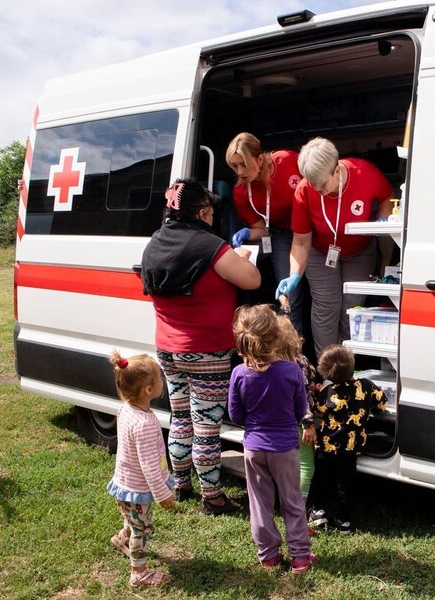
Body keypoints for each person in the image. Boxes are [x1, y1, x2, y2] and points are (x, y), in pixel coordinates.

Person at [140, 178, 261, 516]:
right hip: (207, 351)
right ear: (203, 212)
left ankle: (181, 484)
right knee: (207, 426)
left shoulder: (155, 243)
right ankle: (213, 497)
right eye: (209, 212)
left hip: (168, 348)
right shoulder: (211, 246)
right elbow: (252, 280)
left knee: (180, 417)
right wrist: (243, 256)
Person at [276, 137, 394, 356]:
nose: (317, 188)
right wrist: (294, 274)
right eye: (312, 182)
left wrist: (383, 218)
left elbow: (387, 196)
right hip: (321, 252)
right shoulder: (304, 190)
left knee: (352, 306)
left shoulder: (364, 173)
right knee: (326, 305)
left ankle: (347, 363)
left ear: (336, 170)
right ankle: (327, 365)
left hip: (360, 250)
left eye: (322, 183)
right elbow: (301, 241)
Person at [227, 304, 317, 574]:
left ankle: (268, 556)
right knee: (292, 501)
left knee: (259, 503)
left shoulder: (238, 373)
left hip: (254, 447)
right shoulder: (291, 370)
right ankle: (300, 557)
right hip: (285, 447)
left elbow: (235, 414)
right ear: (277, 336)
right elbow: (300, 410)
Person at [106, 351, 176, 588]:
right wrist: (162, 494)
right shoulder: (144, 423)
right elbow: (148, 466)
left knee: (132, 519)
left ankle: (122, 538)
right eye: (159, 377)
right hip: (138, 489)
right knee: (142, 529)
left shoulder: (126, 409)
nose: (162, 381)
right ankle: (139, 573)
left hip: (125, 483)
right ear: (148, 389)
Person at [226, 133, 305, 333]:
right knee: (289, 294)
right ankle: (293, 347)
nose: (240, 172)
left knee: (321, 293)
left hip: (310, 232)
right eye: (234, 166)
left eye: (243, 164)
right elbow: (262, 229)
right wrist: (247, 233)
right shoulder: (241, 191)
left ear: (260, 159)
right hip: (281, 235)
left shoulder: (288, 161)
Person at [307, 344, 387, 534]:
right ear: (352, 364)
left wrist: (319, 391)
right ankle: (344, 521)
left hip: (326, 447)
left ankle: (318, 512)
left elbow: (317, 411)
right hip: (351, 449)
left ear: (326, 374)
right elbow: (381, 406)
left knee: (320, 479)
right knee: (345, 485)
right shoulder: (366, 386)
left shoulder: (327, 392)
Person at [274, 304, 318, 508]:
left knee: (283, 464)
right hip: (299, 422)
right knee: (305, 465)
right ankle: (298, 505)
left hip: (278, 421)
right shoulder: (299, 363)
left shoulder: (269, 363)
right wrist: (308, 424)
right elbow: (303, 396)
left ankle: (282, 498)